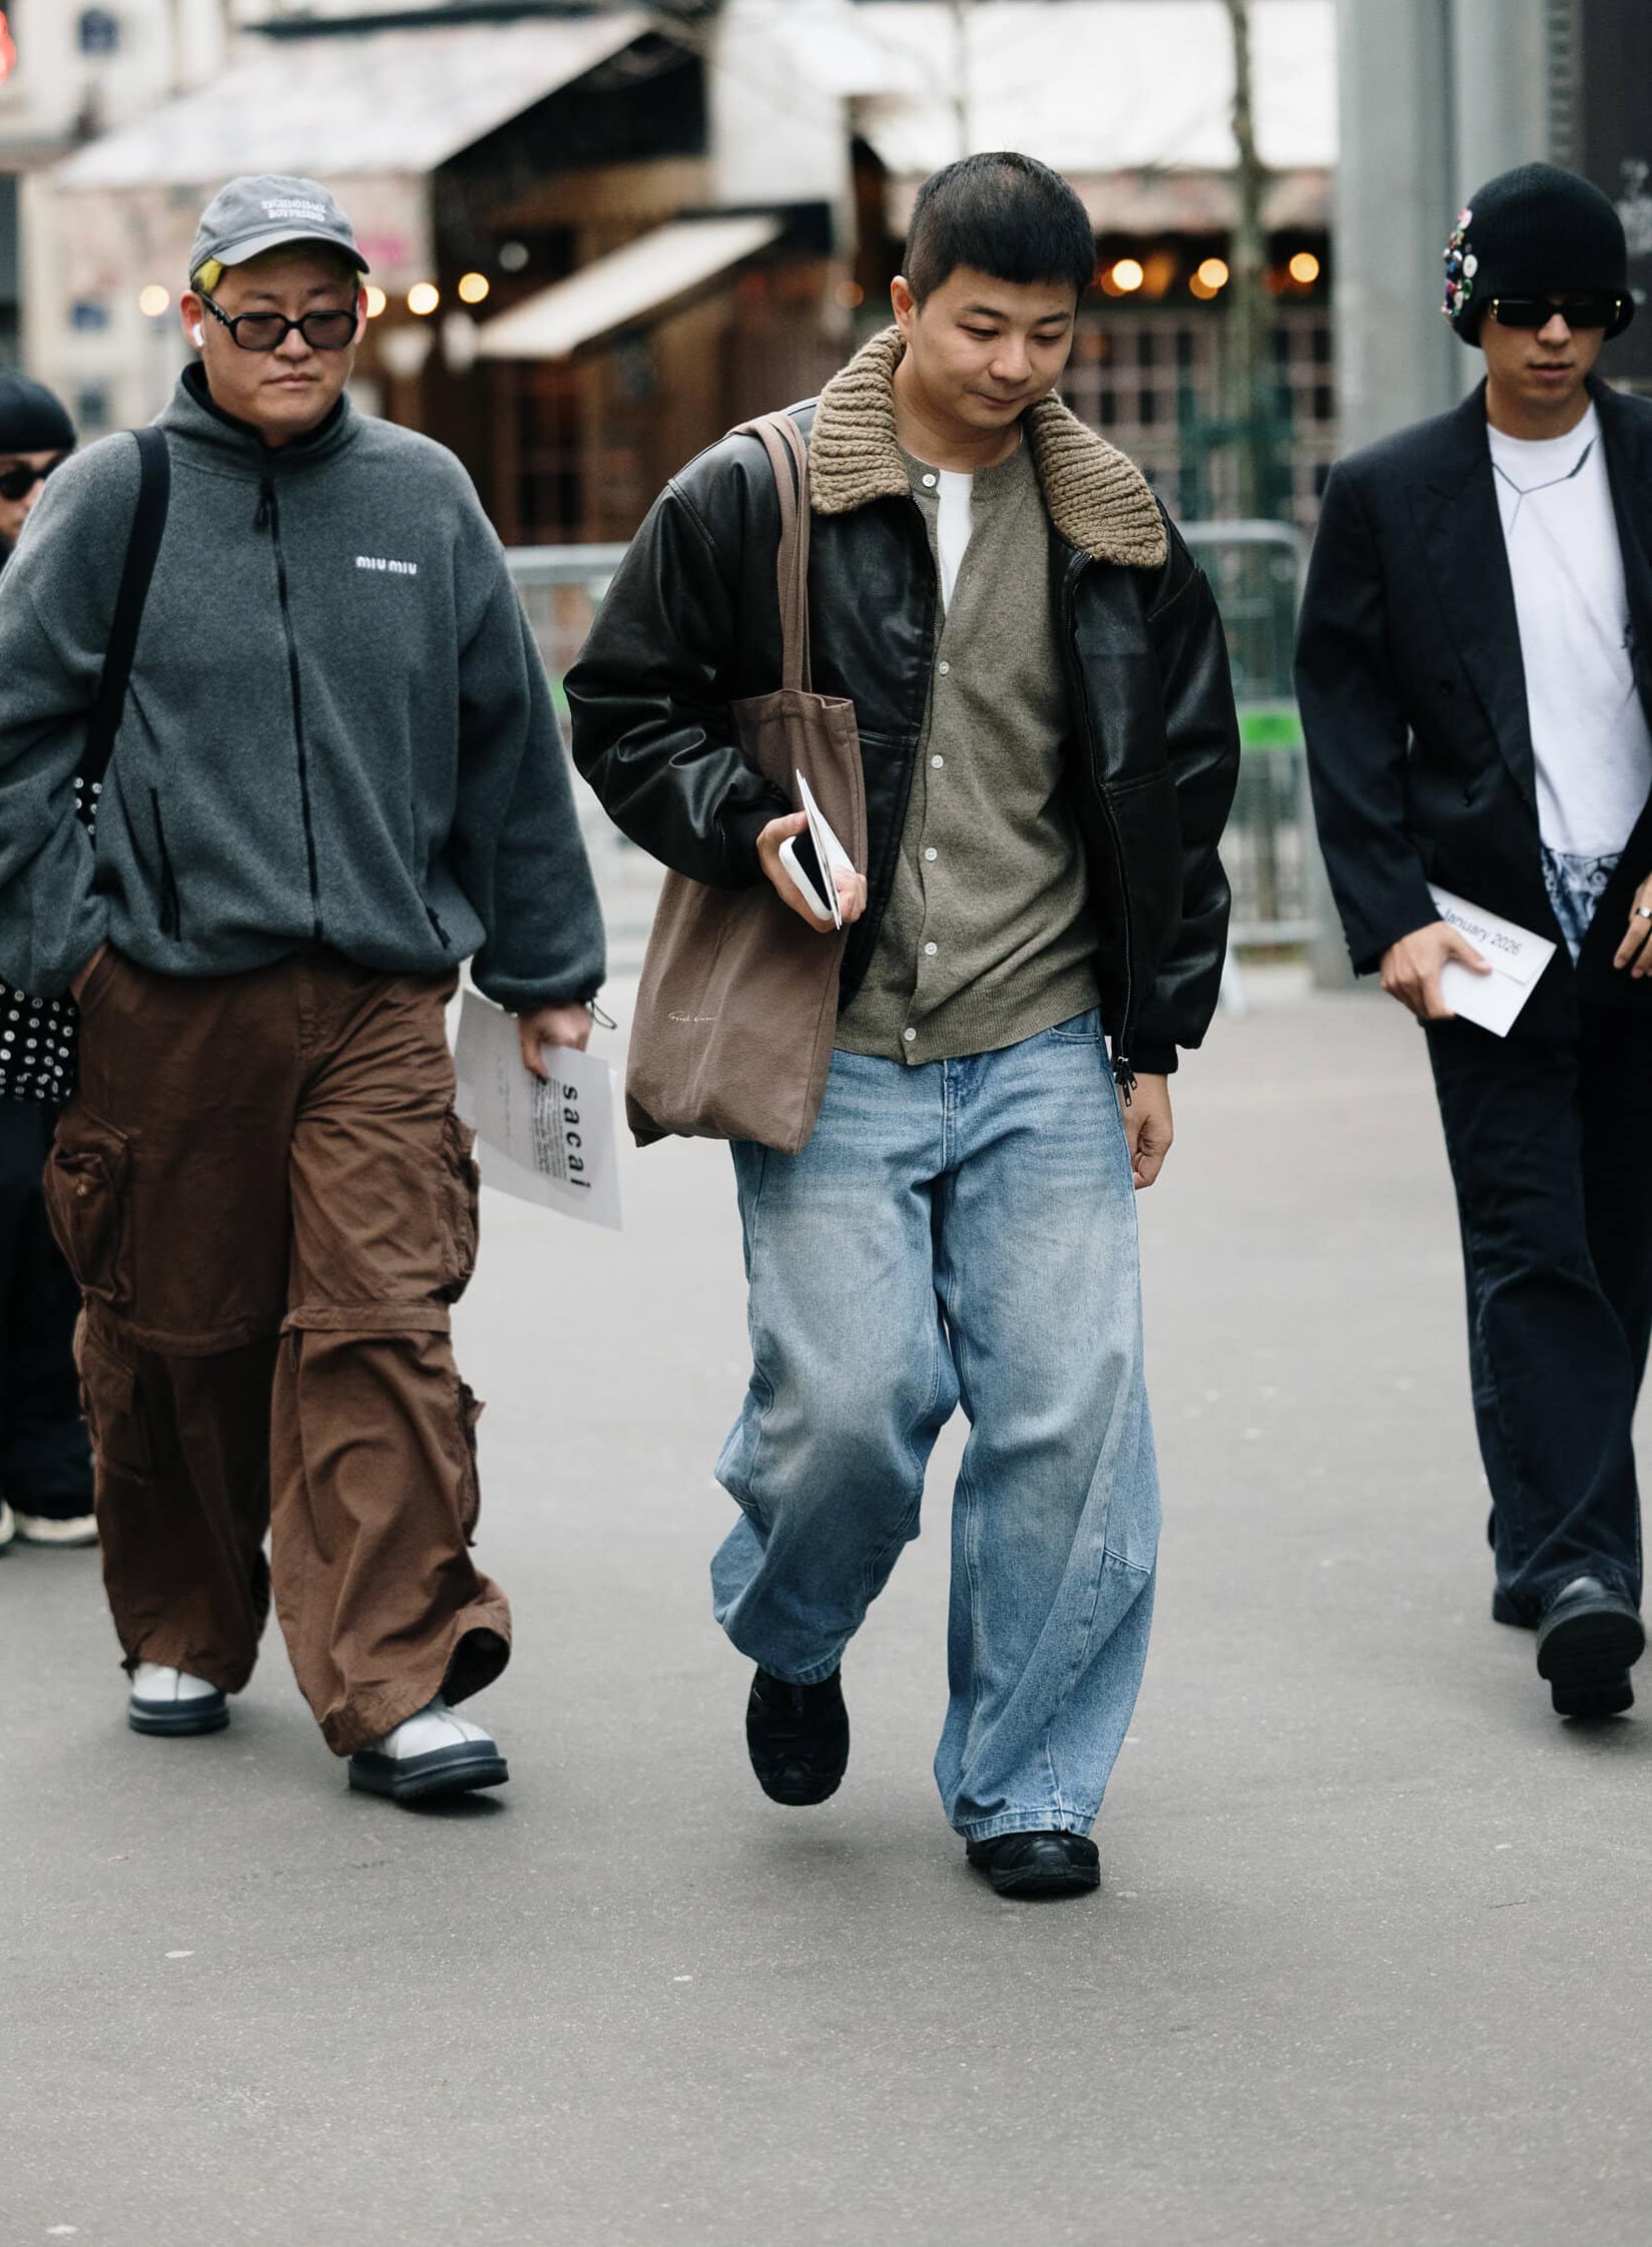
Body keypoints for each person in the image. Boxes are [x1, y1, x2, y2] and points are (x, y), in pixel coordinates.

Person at [568, 153, 1239, 1898]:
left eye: (1047, 334)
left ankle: (1026, 1783)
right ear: (902, 305)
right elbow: (621, 705)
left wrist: (1152, 1038)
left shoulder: (1115, 525)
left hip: (1042, 1034)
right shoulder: (757, 491)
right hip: (835, 1039)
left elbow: (1175, 786)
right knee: (851, 1412)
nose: (1016, 365)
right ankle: (792, 1628)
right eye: (981, 325)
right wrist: (739, 818)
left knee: (1071, 1417)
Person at [0, 176, 604, 1800]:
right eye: (257, 315)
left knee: (380, 1324)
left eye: (324, 315)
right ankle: (186, 1614)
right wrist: (73, 942)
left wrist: (546, 969)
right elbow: (7, 738)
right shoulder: (111, 501)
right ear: (196, 318)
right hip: (167, 1003)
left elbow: (509, 746)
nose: (292, 344)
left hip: (379, 1006)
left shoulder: (421, 494)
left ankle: (395, 1672)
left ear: (357, 317)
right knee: (176, 1336)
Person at [1296, 161, 1652, 1721]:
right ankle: (1588, 1573)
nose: (1555, 337)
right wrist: (1392, 924)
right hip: (1482, 931)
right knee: (1529, 1237)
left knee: (1619, 1239)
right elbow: (1343, 717)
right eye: (1522, 308)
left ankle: (1534, 1535)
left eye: (1585, 310)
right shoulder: (1386, 493)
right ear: (1469, 311)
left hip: (1640, 913)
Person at [0, 373, 96, 1556]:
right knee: (3, 1199)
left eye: (53, 473)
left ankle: (52, 1449)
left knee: (59, 1206)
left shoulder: (86, 580)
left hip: (58, 941)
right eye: (12, 479)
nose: (36, 497)